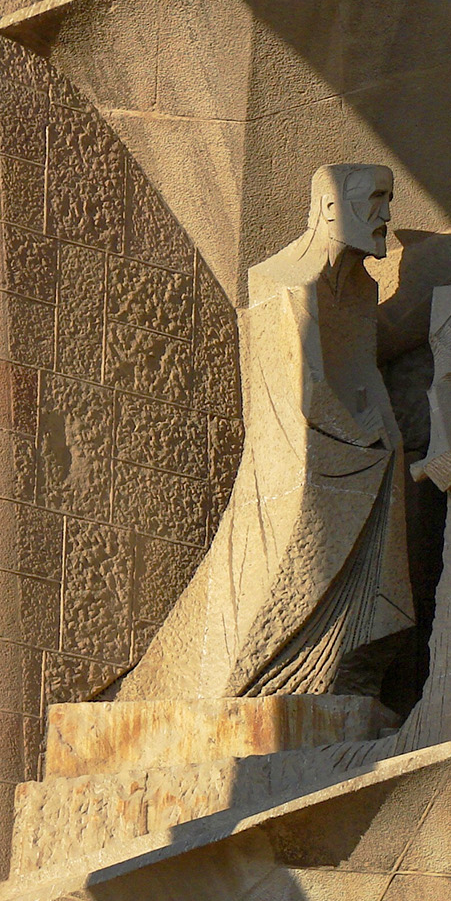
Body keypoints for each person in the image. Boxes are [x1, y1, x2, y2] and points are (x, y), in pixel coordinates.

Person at [121, 164, 412, 700]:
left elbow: (364, 370)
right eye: (376, 200)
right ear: (330, 207)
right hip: (296, 451)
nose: (387, 216)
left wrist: (384, 431)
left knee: (390, 484)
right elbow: (298, 385)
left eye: (388, 200)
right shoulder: (283, 279)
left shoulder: (359, 290)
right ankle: (257, 674)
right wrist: (361, 433)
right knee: (300, 525)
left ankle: (342, 661)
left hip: (351, 441)